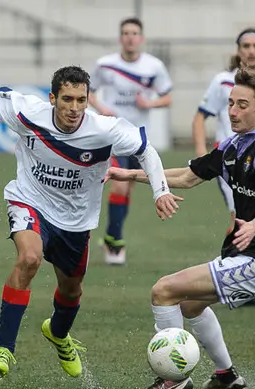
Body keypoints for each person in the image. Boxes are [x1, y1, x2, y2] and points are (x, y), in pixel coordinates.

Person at [0, 66, 179, 378]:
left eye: (81, 100)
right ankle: (4, 348)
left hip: (76, 221)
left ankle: (59, 332)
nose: (74, 108)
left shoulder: (105, 129)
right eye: (67, 99)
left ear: (89, 100)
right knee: (29, 258)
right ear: (52, 98)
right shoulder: (28, 113)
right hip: (30, 201)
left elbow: (147, 151)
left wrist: (161, 191)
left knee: (72, 290)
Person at [107, 69, 255, 389]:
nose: (232, 111)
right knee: (190, 306)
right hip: (244, 256)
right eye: (230, 103)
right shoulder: (233, 145)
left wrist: (254, 224)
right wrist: (131, 173)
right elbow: (188, 176)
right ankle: (226, 375)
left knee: (163, 290)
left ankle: (173, 379)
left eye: (242, 105)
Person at [192, 27, 255, 306]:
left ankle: (237, 272)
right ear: (238, 51)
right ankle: (238, 274)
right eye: (245, 45)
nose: (250, 50)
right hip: (231, 161)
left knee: (252, 212)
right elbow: (200, 117)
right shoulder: (222, 81)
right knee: (243, 212)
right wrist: (203, 154)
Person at [89, 17, 173, 265]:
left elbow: (167, 98)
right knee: (119, 186)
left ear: (141, 38)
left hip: (138, 138)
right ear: (120, 38)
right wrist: (101, 107)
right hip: (112, 135)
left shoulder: (154, 66)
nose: (130, 37)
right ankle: (115, 240)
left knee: (129, 188)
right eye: (125, 32)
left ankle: (112, 236)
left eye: (134, 33)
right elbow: (88, 91)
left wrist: (149, 103)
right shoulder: (106, 64)